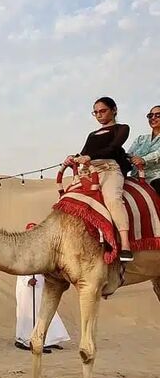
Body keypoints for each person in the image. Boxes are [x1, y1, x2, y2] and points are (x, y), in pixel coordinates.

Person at [64, 96, 132, 261]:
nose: (99, 115)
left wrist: (89, 156)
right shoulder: (92, 134)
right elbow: (83, 153)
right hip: (89, 170)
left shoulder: (121, 128)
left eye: (103, 111)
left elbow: (113, 148)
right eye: (95, 113)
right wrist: (73, 158)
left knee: (112, 199)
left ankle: (125, 244)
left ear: (114, 110)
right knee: (69, 198)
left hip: (109, 169)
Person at [15, 223, 71, 353]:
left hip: (41, 282)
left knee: (45, 310)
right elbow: (19, 266)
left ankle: (49, 340)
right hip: (27, 287)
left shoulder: (42, 247)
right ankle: (24, 340)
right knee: (28, 312)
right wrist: (28, 280)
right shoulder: (22, 248)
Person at [127, 105, 160, 193]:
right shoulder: (140, 139)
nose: (153, 118)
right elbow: (129, 154)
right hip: (135, 177)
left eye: (158, 115)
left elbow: (158, 154)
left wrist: (143, 160)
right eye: (150, 115)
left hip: (156, 178)